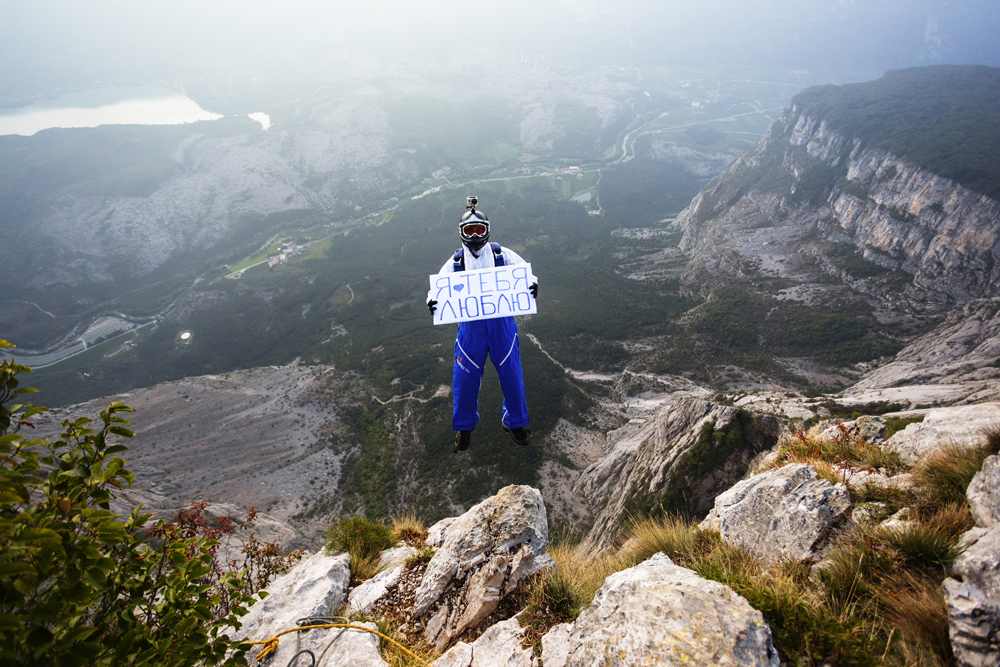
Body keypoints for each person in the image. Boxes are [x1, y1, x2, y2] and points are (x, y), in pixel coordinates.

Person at [427, 196, 538, 453]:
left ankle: (514, 422)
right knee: (465, 378)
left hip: (501, 323)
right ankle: (464, 429)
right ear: (462, 233)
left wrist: (532, 283)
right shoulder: (456, 262)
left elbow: (525, 272)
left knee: (511, 375)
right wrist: (432, 301)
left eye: (480, 229)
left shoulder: (501, 253)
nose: (475, 235)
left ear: (487, 231)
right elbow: (438, 288)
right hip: (471, 327)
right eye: (470, 230)